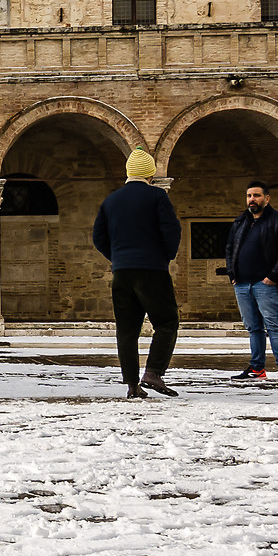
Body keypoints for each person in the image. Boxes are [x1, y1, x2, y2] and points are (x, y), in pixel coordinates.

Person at [93, 149, 182, 399]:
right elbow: (171, 231)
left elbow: (98, 237)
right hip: (152, 270)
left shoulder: (111, 200)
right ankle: (154, 372)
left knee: (127, 329)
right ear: (150, 175)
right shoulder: (157, 196)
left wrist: (118, 258)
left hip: (122, 272)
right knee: (166, 322)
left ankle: (132, 385)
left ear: (129, 172)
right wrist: (165, 256)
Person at [224, 182, 278, 384]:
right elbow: (230, 249)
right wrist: (232, 274)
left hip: (266, 285)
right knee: (253, 328)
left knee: (274, 326)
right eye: (249, 195)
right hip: (242, 284)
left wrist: (272, 276)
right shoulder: (241, 221)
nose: (252, 199)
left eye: (256, 195)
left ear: (267, 198)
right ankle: (257, 368)